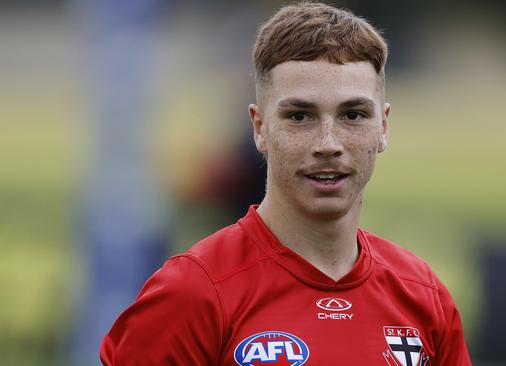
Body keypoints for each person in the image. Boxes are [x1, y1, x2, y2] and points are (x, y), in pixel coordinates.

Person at [100, 2, 471, 365]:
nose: (328, 144)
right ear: (260, 128)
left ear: (383, 127)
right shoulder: (193, 292)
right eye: (299, 116)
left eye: (353, 115)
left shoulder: (423, 295)